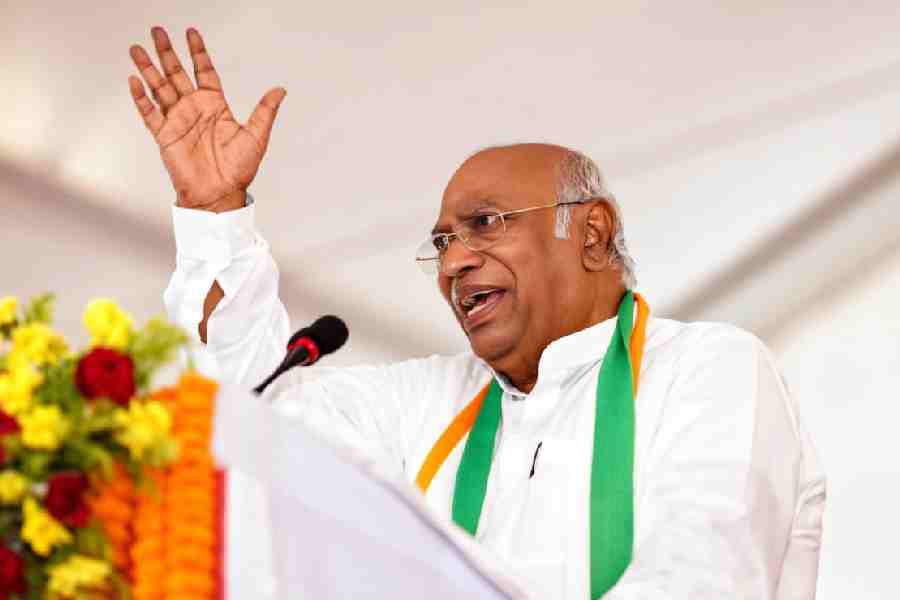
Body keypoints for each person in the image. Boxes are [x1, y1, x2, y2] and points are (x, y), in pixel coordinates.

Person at [127, 26, 826, 599]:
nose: (456, 260)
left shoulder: (709, 370)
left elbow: (701, 577)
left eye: (485, 223)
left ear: (590, 232)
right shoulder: (423, 403)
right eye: (441, 242)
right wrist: (215, 216)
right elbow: (253, 417)